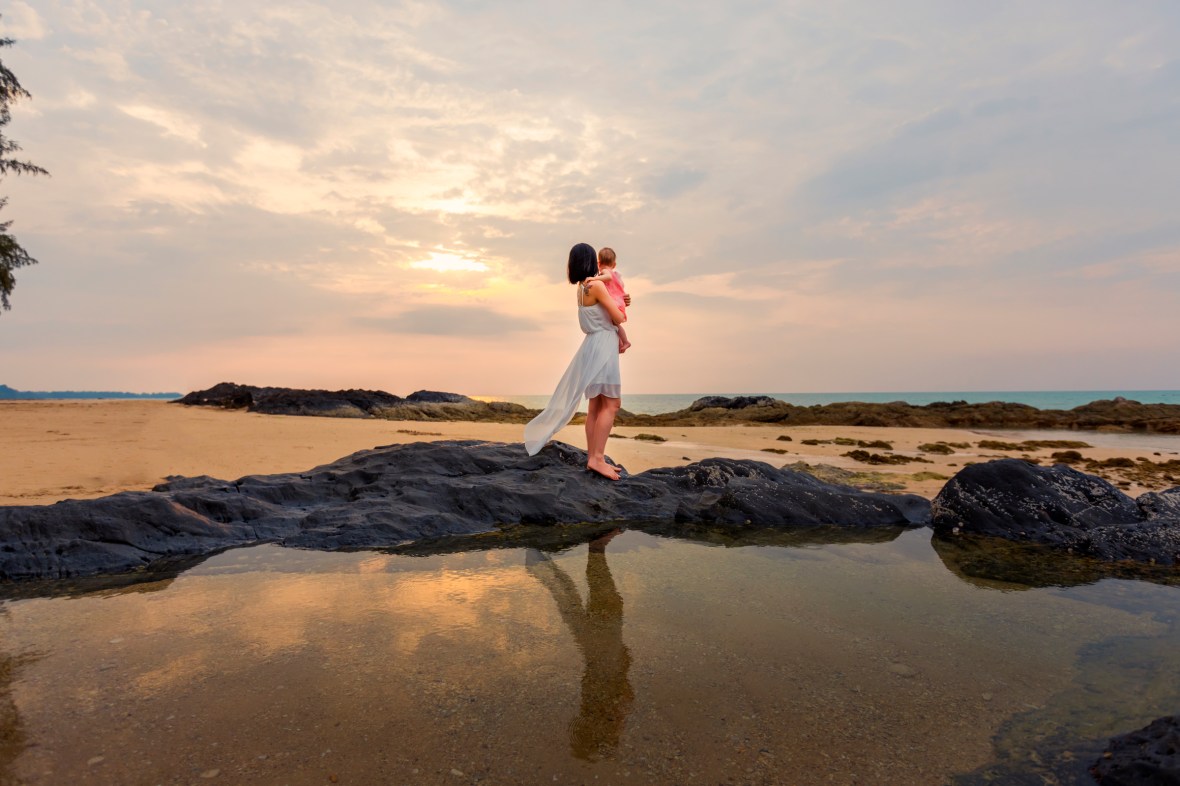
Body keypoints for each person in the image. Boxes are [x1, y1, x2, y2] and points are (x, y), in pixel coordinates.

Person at [524, 243, 627, 479]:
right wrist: (622, 306)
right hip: (603, 346)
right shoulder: (598, 286)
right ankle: (597, 458)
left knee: (595, 405)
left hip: (592, 346)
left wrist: (621, 301)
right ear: (591, 262)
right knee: (612, 404)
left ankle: (594, 456)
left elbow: (605, 312)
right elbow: (619, 316)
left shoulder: (582, 288)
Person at [583, 247, 631, 353]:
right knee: (614, 325)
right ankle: (622, 343)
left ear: (598, 263)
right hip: (619, 302)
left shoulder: (605, 271)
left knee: (615, 325)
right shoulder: (617, 276)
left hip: (615, 303)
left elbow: (608, 277)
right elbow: (620, 286)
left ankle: (625, 341)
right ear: (614, 264)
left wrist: (594, 278)